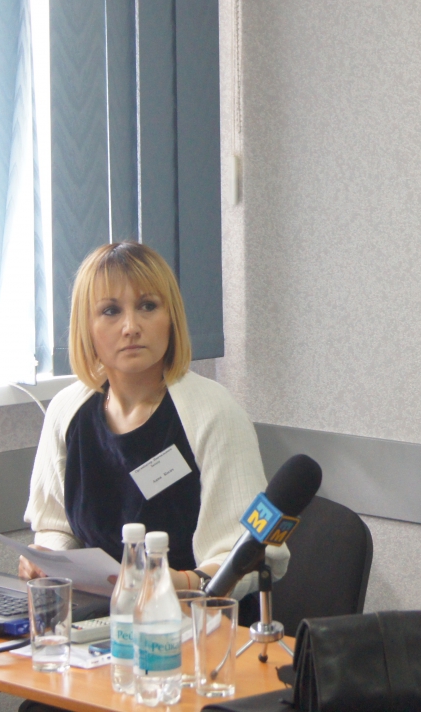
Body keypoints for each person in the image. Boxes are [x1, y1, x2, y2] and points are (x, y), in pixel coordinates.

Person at [22, 241, 286, 599]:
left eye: (148, 306)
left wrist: (185, 583)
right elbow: (55, 527)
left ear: (171, 318)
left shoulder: (214, 413)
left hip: (200, 614)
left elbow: (252, 552)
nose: (131, 327)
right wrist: (48, 559)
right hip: (102, 615)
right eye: (111, 311)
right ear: (87, 327)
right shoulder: (66, 410)